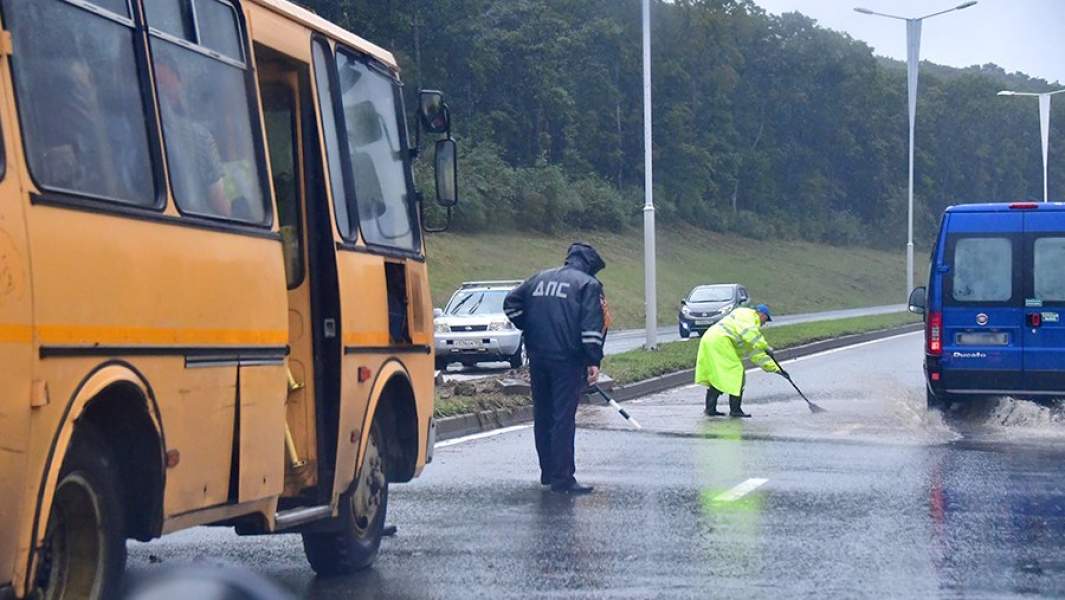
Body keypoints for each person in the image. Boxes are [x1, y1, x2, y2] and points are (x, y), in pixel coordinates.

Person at [504, 243, 609, 495]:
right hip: (567, 360)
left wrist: (528, 325)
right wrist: (593, 360)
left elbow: (510, 304)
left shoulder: (539, 279)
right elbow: (591, 329)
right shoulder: (588, 285)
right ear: (589, 265)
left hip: (538, 358)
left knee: (543, 415)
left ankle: (548, 473)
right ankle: (563, 478)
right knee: (563, 418)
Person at [695, 303, 782, 418]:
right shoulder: (747, 316)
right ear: (762, 314)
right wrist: (766, 347)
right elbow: (752, 336)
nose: (764, 323)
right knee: (737, 373)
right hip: (720, 341)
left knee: (718, 375)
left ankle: (710, 409)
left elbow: (754, 353)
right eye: (766, 319)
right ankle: (735, 410)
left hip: (711, 339)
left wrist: (776, 369)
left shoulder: (747, 324)